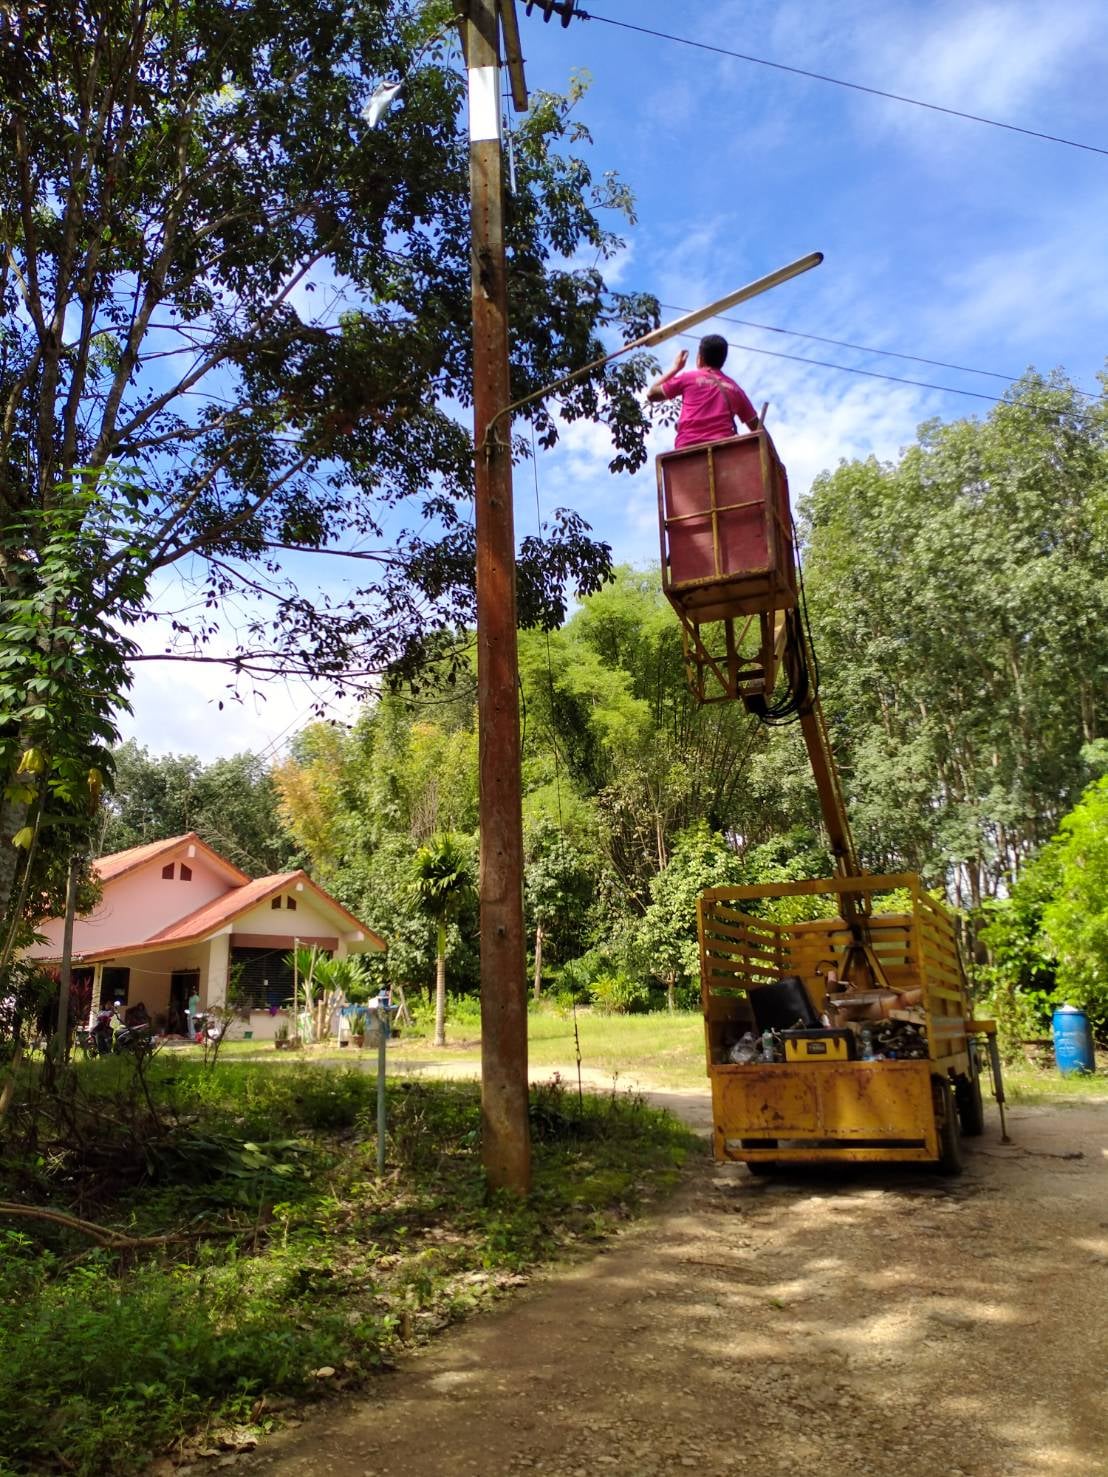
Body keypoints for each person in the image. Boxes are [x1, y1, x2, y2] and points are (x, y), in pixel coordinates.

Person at [646, 333, 759, 448]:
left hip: (686, 453)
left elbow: (651, 394)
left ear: (700, 357)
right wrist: (777, 463)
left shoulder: (687, 378)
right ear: (723, 361)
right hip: (724, 452)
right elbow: (758, 429)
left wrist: (676, 368)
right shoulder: (736, 389)